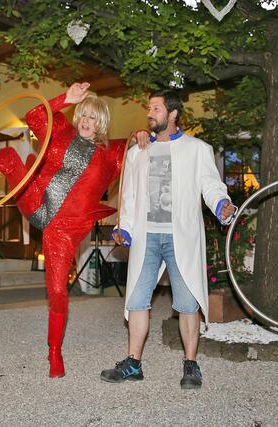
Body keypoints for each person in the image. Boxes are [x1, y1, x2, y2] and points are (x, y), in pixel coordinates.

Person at [0, 82, 127, 377]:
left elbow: (140, 153)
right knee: (10, 158)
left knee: (58, 291)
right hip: (37, 201)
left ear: (102, 123)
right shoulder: (62, 131)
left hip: (64, 229)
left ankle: (54, 352)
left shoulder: (111, 155)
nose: (86, 121)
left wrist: (143, 135)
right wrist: (66, 98)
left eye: (93, 117)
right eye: (84, 115)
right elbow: (35, 115)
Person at [100, 89, 235, 390]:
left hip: (181, 236)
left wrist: (221, 204)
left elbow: (211, 185)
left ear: (173, 113)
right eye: (149, 108)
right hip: (146, 237)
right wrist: (125, 228)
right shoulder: (138, 151)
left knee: (187, 303)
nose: (150, 113)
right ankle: (133, 363)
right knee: (137, 300)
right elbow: (129, 195)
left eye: (156, 108)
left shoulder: (198, 149)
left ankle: (191, 364)